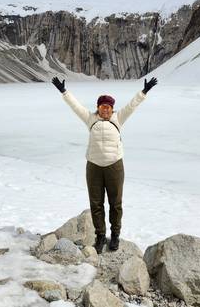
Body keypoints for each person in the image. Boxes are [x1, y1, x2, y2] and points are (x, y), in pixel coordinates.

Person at [51, 76, 158, 253]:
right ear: (98, 108)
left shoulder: (118, 119)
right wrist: (64, 91)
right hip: (93, 166)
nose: (105, 110)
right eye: (102, 107)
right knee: (96, 203)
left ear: (112, 109)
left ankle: (115, 236)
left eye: (108, 107)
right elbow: (75, 106)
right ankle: (100, 236)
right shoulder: (90, 119)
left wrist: (144, 91)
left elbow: (132, 105)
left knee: (115, 203)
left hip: (114, 166)